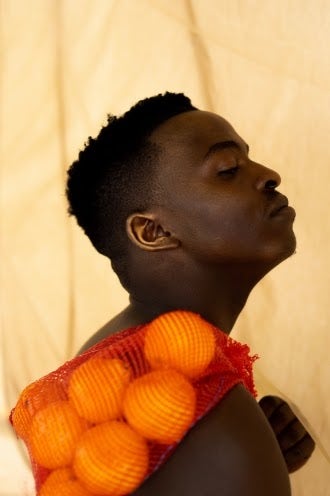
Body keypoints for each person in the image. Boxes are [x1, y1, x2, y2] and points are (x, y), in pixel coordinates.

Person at [65, 92, 314, 495]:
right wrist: (241, 452)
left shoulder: (126, 367)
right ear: (155, 232)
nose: (269, 174)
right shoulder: (196, 403)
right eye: (228, 169)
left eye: (249, 158)